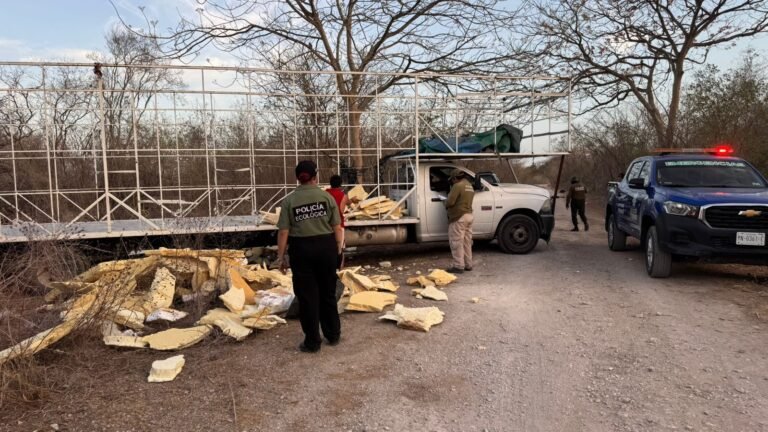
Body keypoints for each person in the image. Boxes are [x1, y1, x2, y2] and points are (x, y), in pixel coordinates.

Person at [276, 161, 344, 353]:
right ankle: (333, 334)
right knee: (327, 292)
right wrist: (338, 249)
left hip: (301, 250)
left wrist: (280, 257)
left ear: (297, 178)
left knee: (307, 297)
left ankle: (312, 341)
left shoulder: (289, 201)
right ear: (316, 176)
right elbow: (337, 227)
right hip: (326, 247)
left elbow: (283, 232)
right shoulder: (327, 197)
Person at [445, 169, 475, 274]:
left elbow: (450, 202)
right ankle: (468, 264)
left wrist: (445, 202)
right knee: (467, 242)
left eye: (452, 180)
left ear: (454, 178)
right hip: (469, 215)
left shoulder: (457, 186)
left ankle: (458, 266)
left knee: (456, 242)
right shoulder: (469, 185)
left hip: (459, 217)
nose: (452, 182)